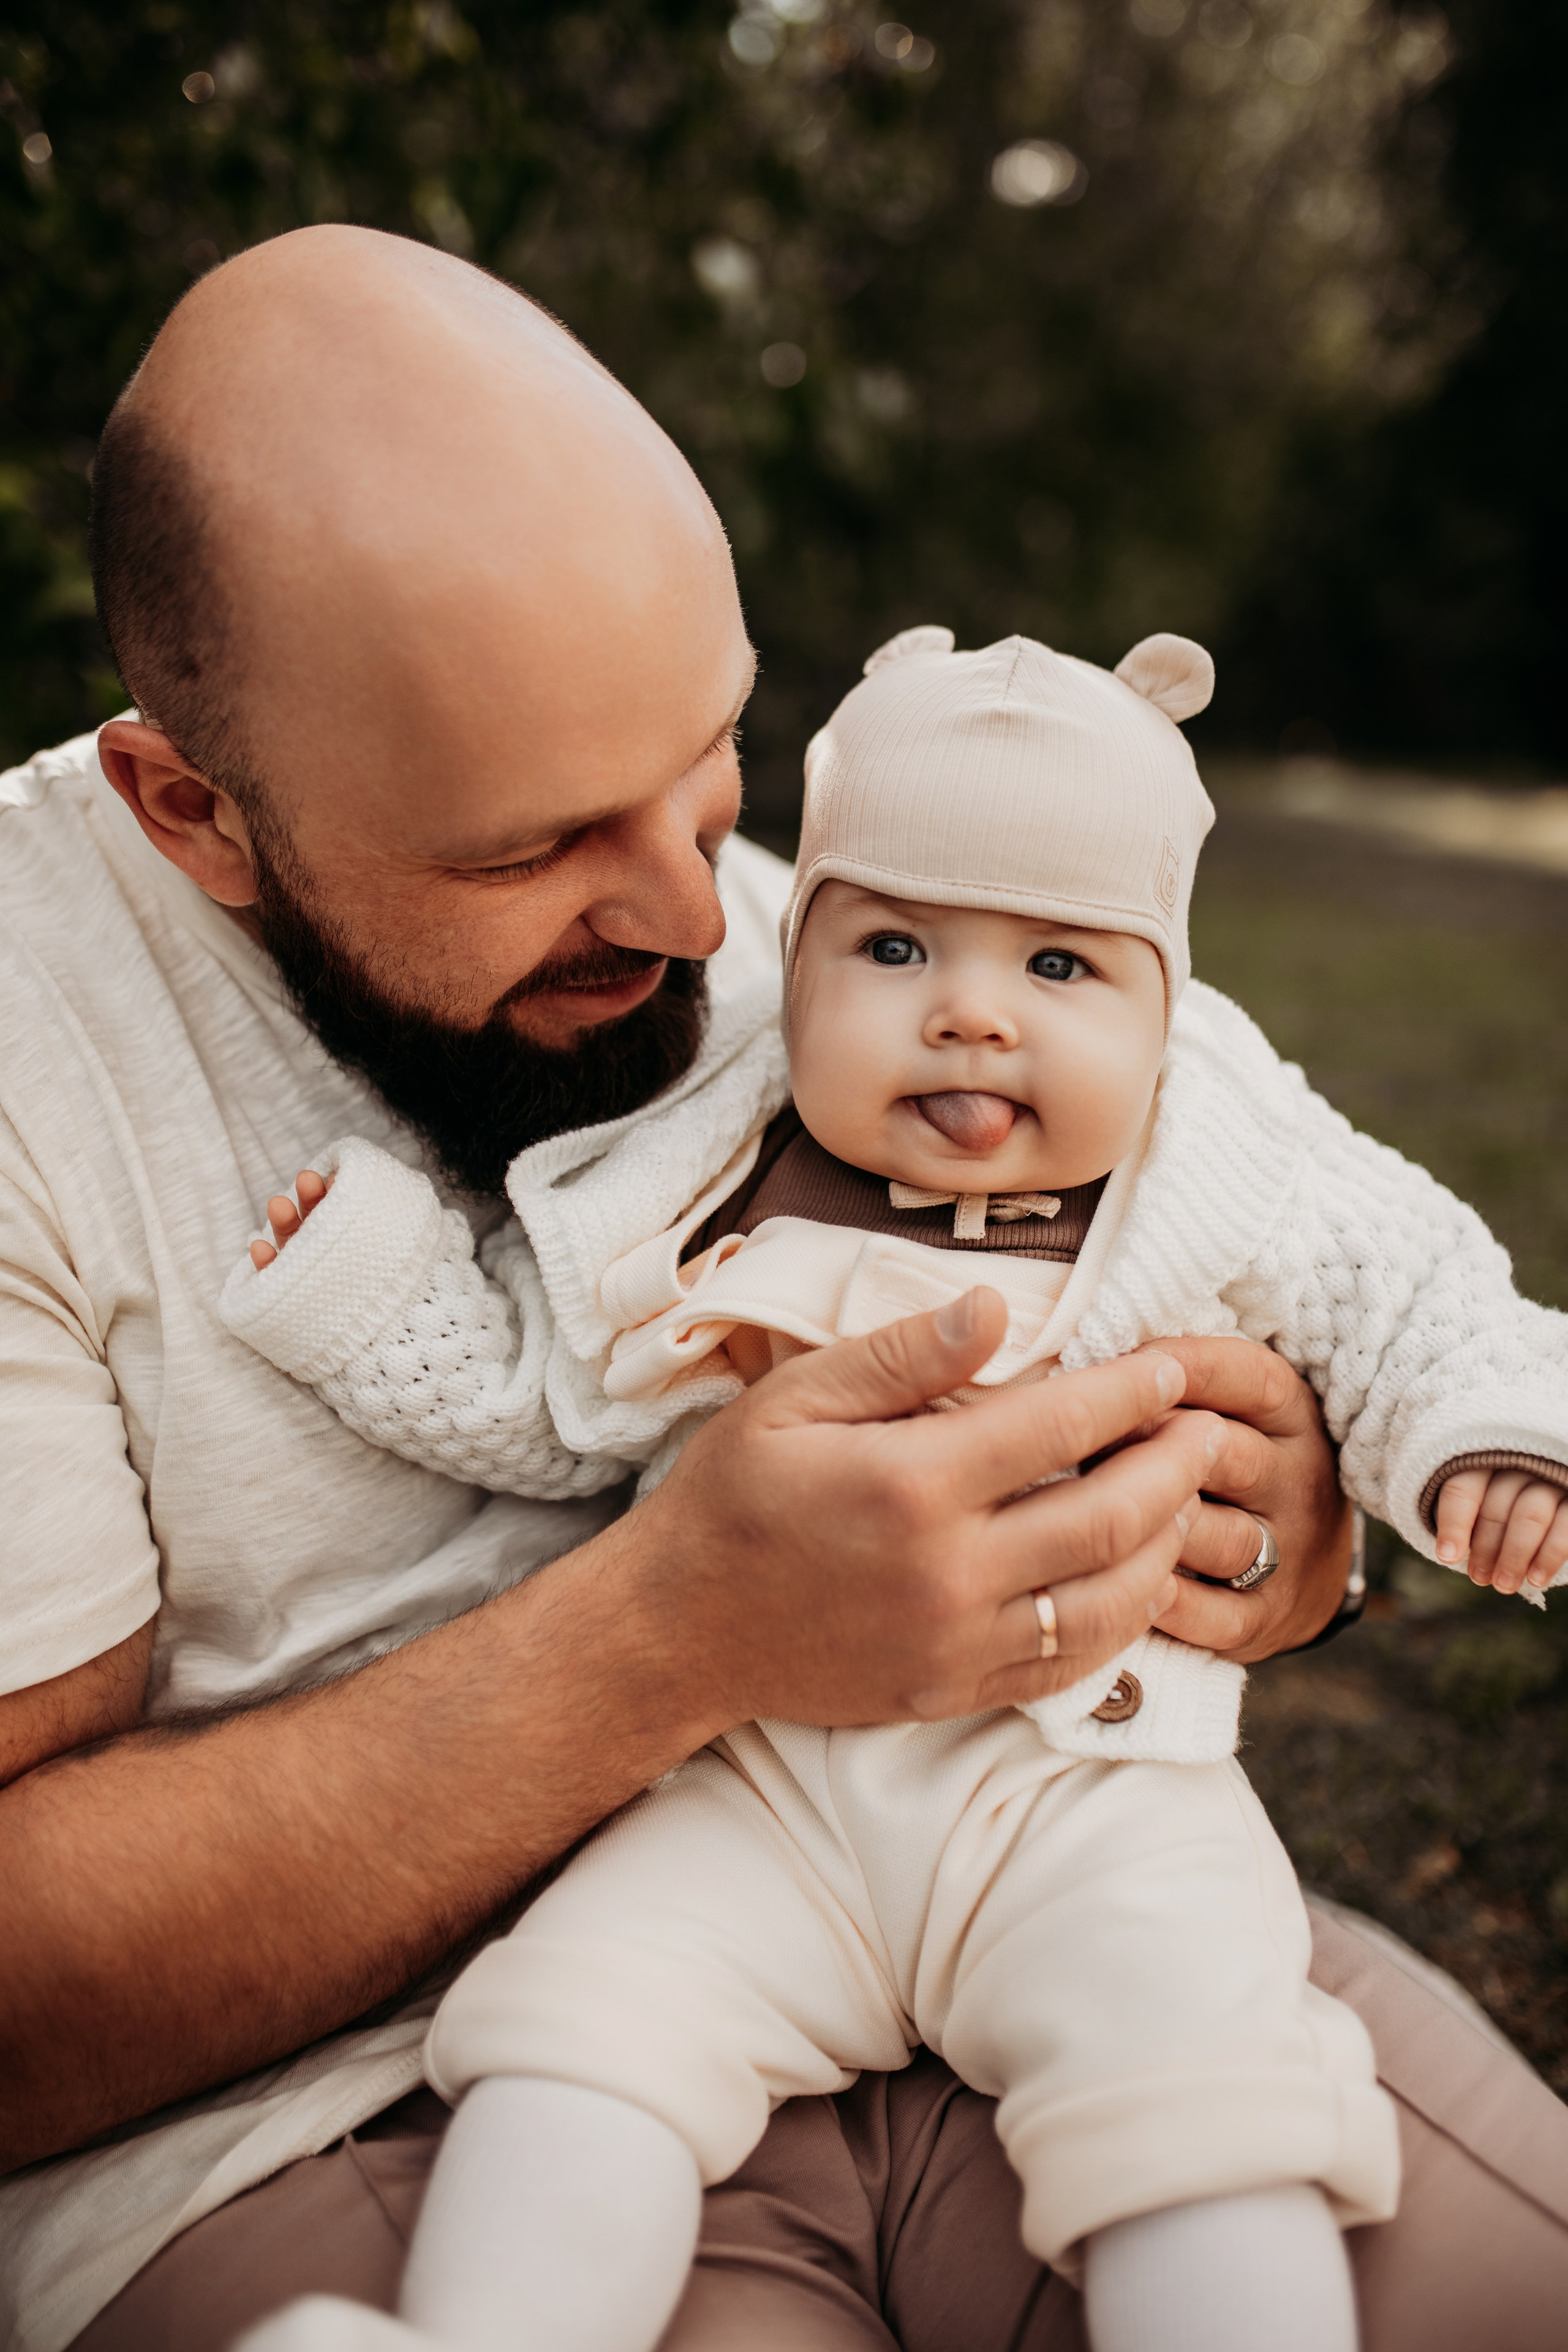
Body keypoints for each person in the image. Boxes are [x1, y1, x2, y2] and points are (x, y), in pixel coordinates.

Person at [0, 227, 1561, 2352]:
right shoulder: (29, 1057)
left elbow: (1277, 1229)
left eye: (713, 753)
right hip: (337, 2105)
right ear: (196, 809)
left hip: (1058, 1884)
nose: (694, 905)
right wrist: (673, 1634)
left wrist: (1270, 1523)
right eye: (525, 847)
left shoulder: (834, 929)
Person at [221, 624, 1568, 2352]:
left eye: (1063, 969)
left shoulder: (1220, 1157)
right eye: (899, 944)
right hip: (758, 1779)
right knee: (585, 2031)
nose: (971, 1011)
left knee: (1206, 2093)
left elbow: (1411, 1292)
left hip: (1084, 1793)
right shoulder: (719, 1161)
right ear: (806, 964)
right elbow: (538, 1380)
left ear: (1168, 1001)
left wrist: (1486, 1438)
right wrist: (367, 1284)